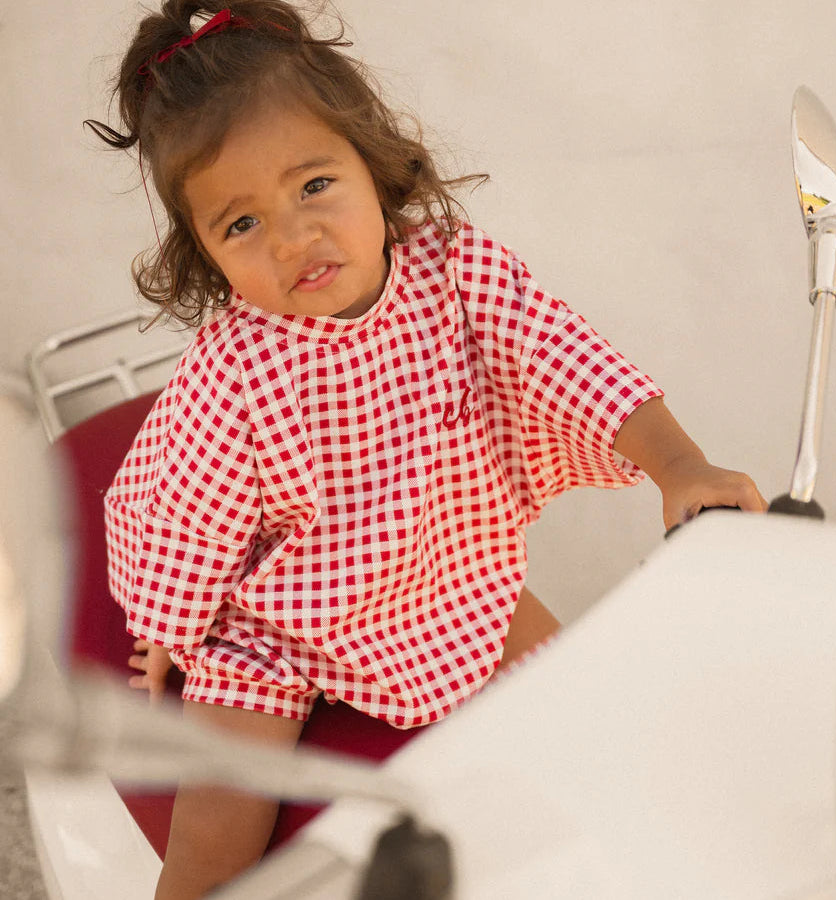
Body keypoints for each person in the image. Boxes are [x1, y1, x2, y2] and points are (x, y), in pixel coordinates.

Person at [89, 2, 767, 896]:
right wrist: (167, 633)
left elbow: (566, 356)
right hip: (288, 624)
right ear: (206, 251)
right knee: (216, 836)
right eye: (241, 225)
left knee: (588, 716)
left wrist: (681, 466)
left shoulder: (455, 270)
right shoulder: (236, 370)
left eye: (314, 186)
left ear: (371, 166)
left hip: (452, 575)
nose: (294, 238)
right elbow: (186, 517)